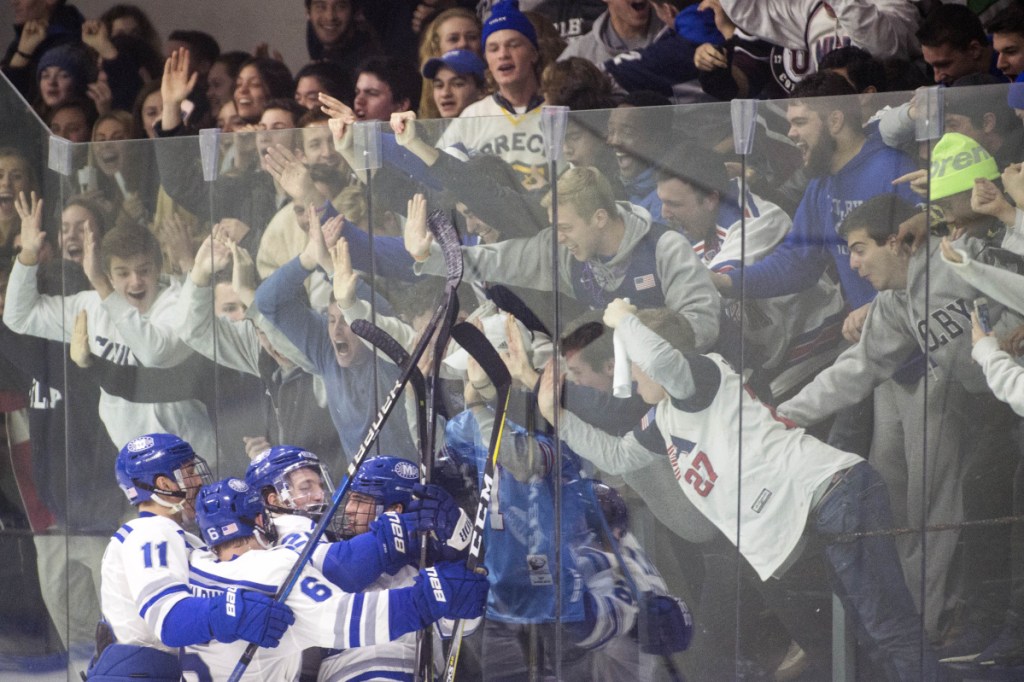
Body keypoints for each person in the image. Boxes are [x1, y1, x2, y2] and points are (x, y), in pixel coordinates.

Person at [538, 301, 945, 681]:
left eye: (635, 365)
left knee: (888, 629)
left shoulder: (698, 374)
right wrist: (557, 418)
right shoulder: (663, 417)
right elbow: (616, 456)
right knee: (870, 633)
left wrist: (625, 319)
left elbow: (665, 363)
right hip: (815, 506)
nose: (630, 379)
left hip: (828, 491)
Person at [777, 189, 1024, 659]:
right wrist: (784, 414)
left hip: (1018, 388)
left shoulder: (958, 257)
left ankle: (999, 629)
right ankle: (986, 628)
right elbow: (856, 370)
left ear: (895, 242)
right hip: (989, 406)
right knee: (982, 498)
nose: (852, 265)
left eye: (859, 249)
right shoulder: (893, 304)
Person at [182, 475, 487, 680]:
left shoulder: (196, 564)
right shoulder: (276, 567)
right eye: (351, 498)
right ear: (263, 518)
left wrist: (457, 558)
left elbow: (461, 624)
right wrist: (428, 596)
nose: (349, 510)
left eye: (361, 501)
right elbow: (345, 609)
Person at [408, 167, 721, 351]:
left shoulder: (665, 248)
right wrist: (430, 254)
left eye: (567, 228)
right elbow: (492, 260)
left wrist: (635, 330)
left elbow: (703, 326)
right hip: (618, 378)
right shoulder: (562, 253)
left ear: (599, 218)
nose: (559, 237)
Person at [90, 434, 293, 680]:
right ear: (164, 485)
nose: (197, 480)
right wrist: (234, 612)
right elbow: (170, 620)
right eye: (188, 472)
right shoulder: (151, 532)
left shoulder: (182, 537)